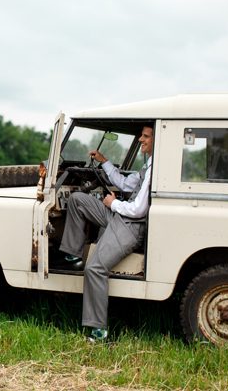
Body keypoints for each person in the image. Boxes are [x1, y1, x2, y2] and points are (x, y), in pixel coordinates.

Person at [59, 125, 154, 343]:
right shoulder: (147, 166)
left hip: (130, 225)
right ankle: (73, 255)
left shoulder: (155, 170)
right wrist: (104, 161)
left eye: (146, 136)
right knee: (78, 200)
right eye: (141, 135)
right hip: (120, 216)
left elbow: (139, 210)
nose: (140, 139)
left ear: (157, 140)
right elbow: (124, 183)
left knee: (94, 268)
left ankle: (98, 331)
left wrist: (113, 203)